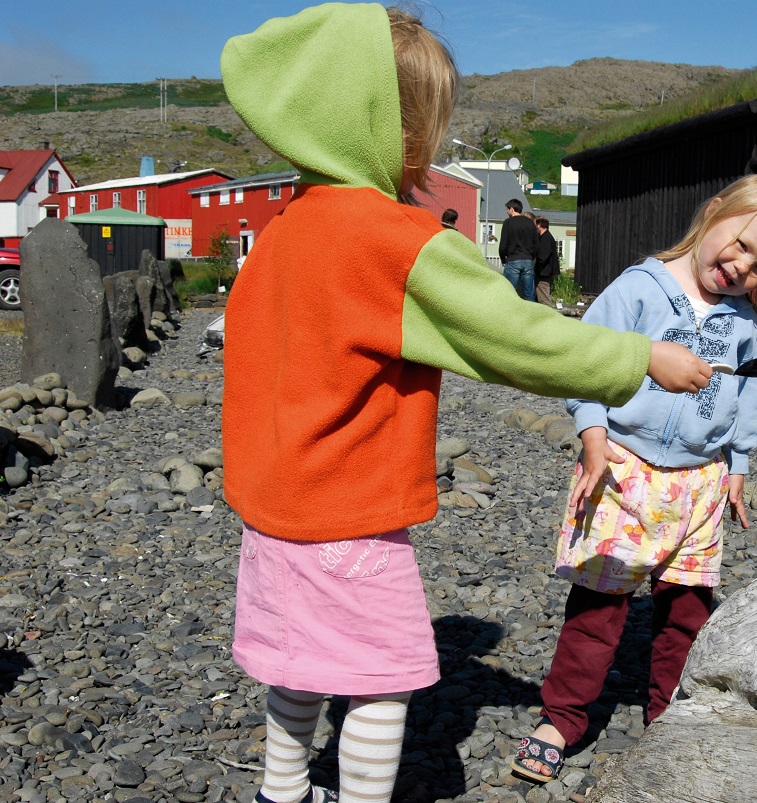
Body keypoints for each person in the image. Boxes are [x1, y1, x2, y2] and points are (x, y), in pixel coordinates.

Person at [218, 6, 713, 803]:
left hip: (270, 506)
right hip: (346, 512)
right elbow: (515, 337)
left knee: (299, 661)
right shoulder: (392, 240)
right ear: (397, 130)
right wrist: (638, 356)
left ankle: (282, 791)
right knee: (380, 678)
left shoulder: (282, 231)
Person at [510, 173, 757, 785]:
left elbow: (746, 392)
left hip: (700, 480)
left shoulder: (744, 322)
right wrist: (593, 436)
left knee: (687, 610)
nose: (742, 268)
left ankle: (669, 713)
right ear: (715, 212)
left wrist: (739, 465)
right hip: (624, 468)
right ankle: (563, 716)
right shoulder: (638, 289)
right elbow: (585, 358)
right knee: (600, 606)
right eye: (742, 244)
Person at [498, 198, 538, 301]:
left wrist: (503, 259)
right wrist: (531, 257)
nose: (507, 211)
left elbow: (503, 244)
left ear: (511, 209)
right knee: (529, 293)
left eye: (507, 209)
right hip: (528, 259)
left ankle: (509, 315)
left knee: (509, 292)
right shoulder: (530, 223)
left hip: (513, 260)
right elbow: (536, 244)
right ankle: (531, 315)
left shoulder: (508, 223)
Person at [533, 215, 559, 306]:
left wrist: (535, 267)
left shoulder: (546, 238)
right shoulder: (545, 237)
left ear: (539, 224)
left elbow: (543, 257)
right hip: (544, 272)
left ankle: (549, 318)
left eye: (534, 223)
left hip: (544, 273)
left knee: (544, 300)